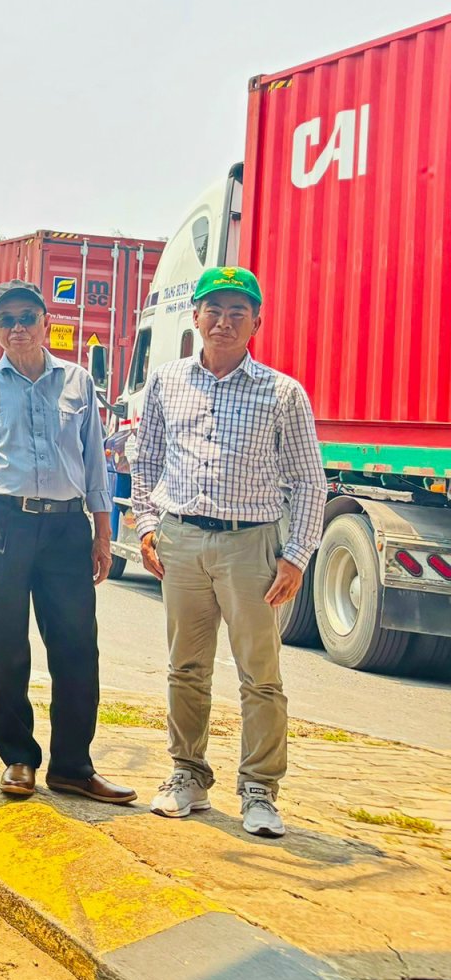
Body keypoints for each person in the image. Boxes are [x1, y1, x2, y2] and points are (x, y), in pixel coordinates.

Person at [131, 266, 325, 839]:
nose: (223, 321)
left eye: (237, 312)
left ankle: (259, 789)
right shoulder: (167, 382)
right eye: (213, 310)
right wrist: (148, 525)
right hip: (182, 540)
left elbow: (309, 481)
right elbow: (146, 460)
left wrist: (296, 555)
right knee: (185, 668)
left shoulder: (282, 393)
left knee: (260, 675)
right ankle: (187, 774)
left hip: (251, 544)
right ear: (195, 317)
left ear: (256, 323)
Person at [0, 280, 133, 806]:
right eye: (6, 320)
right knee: (5, 645)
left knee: (76, 646)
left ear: (46, 321)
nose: (18, 328)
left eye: (27, 317)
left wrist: (103, 533)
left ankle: (73, 766)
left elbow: (95, 461)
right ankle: (18, 758)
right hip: (2, 523)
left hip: (66, 529)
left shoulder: (77, 381)